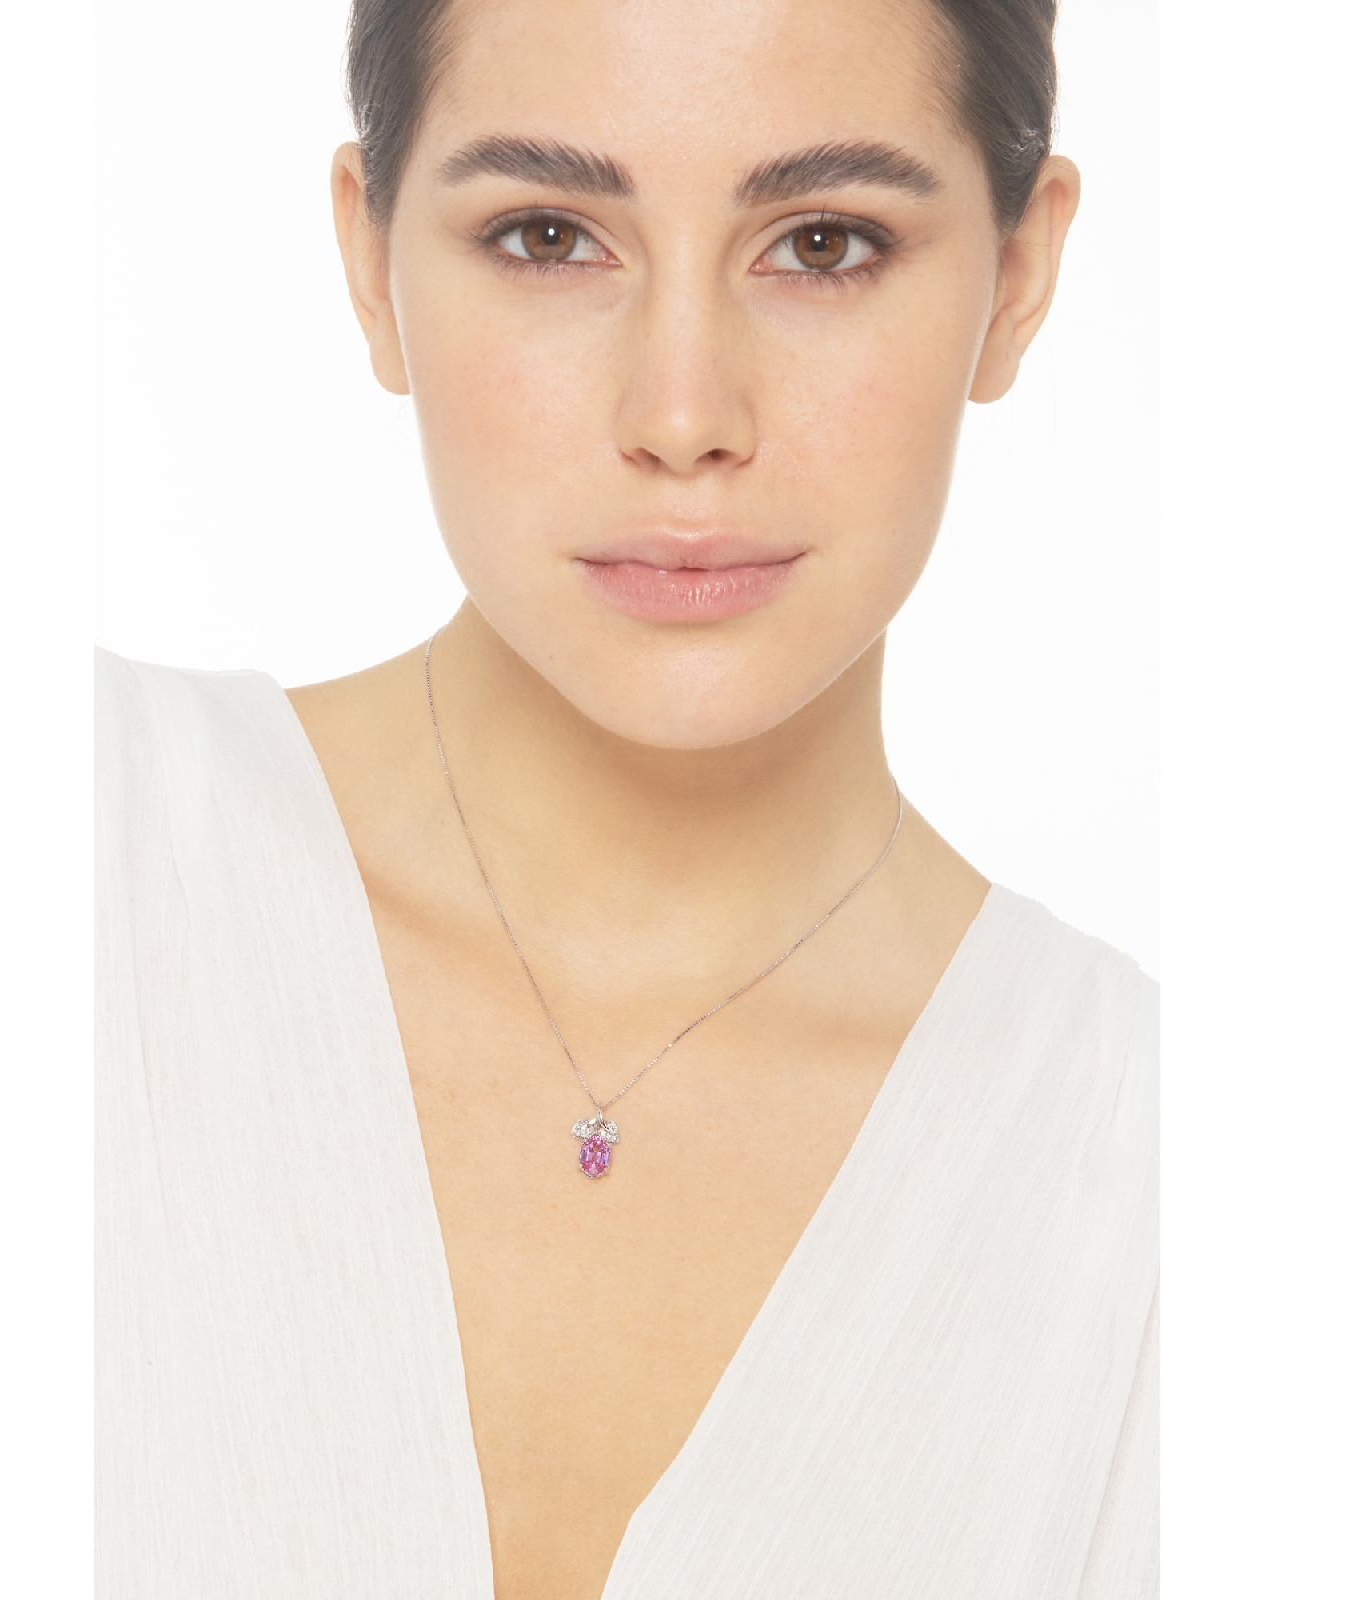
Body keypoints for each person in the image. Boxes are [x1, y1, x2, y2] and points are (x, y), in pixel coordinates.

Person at [96, 0, 1157, 1594]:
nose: (682, 418)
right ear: (371, 260)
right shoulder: (30, 847)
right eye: (547, 236)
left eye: (822, 245)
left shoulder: (1171, 1188)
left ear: (1018, 276)